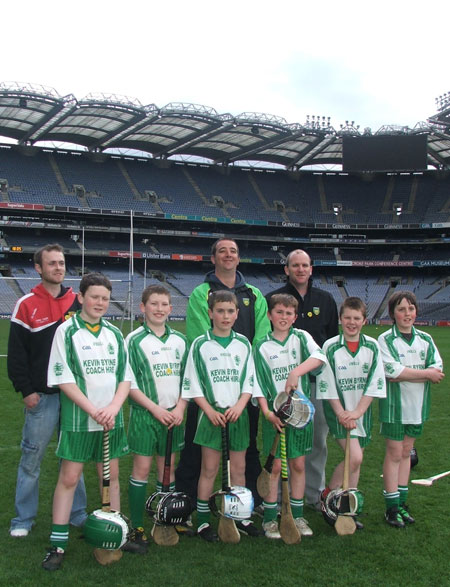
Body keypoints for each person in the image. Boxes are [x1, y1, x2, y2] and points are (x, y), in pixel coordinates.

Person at [42, 273, 131, 571]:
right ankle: (57, 544)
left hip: (111, 419)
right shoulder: (66, 331)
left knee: (111, 479)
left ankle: (115, 534)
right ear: (81, 298)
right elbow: (63, 378)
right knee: (69, 479)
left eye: (105, 298)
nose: (100, 303)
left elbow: (124, 377)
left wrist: (115, 407)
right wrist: (94, 410)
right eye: (94, 297)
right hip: (81, 419)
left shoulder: (114, 334)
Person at [175, 238, 270, 511]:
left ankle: (247, 503)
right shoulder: (200, 293)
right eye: (222, 251)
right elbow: (198, 338)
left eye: (233, 251)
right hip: (208, 389)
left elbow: (261, 339)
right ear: (213, 258)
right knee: (198, 453)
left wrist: (240, 367)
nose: (228, 255)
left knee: (247, 449)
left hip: (241, 388)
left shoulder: (253, 294)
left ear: (239, 258)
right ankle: (191, 502)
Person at [8, 243, 87, 538]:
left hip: (73, 398)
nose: (58, 268)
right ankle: (23, 519)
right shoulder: (26, 304)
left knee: (73, 458)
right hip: (42, 398)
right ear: (38, 268)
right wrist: (27, 391)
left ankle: (78, 513)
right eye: (51, 263)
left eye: (61, 263)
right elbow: (16, 356)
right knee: (32, 459)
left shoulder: (76, 302)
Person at [181, 290, 259, 541]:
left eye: (230, 311)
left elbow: (249, 381)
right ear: (210, 313)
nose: (225, 316)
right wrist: (209, 410)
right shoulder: (200, 344)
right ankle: (203, 521)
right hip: (211, 416)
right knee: (210, 469)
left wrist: (240, 405)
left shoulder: (243, 343)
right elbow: (192, 384)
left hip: (238, 415)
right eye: (220, 311)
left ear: (237, 314)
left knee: (239, 468)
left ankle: (241, 515)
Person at [266, 249, 338, 509]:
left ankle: (313, 495)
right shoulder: (272, 299)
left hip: (315, 385)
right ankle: (274, 498)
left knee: (317, 441)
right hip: (279, 387)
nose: (300, 269)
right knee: (279, 445)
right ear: (286, 269)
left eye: (304, 265)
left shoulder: (326, 299)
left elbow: (331, 344)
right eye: (294, 265)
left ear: (311, 269)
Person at [253, 293, 327, 539]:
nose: (283, 317)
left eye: (288, 313)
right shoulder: (261, 345)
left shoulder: (302, 338)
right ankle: (271, 518)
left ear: (295, 317)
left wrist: (296, 371)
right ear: (269, 315)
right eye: (279, 312)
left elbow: (319, 357)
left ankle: (296, 515)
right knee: (275, 466)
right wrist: (266, 412)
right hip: (275, 416)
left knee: (297, 464)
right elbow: (258, 384)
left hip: (301, 414)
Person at [124, 285, 188, 554]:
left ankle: (165, 517)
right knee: (141, 468)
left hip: (173, 415)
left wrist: (181, 407)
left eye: (164, 305)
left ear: (171, 309)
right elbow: (128, 383)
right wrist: (155, 409)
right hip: (144, 415)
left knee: (168, 468)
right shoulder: (133, 340)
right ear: (143, 307)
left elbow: (188, 381)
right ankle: (137, 525)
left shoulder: (180, 341)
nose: (159, 309)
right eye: (154, 304)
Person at [316, 297, 386, 529]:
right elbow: (327, 385)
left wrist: (357, 412)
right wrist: (342, 413)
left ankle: (347, 507)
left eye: (357, 318)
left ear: (364, 320)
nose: (352, 322)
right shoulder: (331, 347)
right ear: (340, 319)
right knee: (355, 457)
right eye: (347, 318)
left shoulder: (372, 346)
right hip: (338, 412)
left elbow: (375, 383)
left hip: (362, 412)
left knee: (354, 462)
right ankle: (329, 498)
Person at [378, 291, 444, 528]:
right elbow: (391, 371)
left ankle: (402, 503)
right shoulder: (385, 339)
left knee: (407, 453)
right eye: (401, 309)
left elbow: (437, 369)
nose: (407, 314)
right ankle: (391, 507)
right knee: (395, 453)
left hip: (418, 406)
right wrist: (424, 374)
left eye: (411, 309)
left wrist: (411, 374)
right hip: (395, 407)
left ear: (417, 311)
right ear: (393, 313)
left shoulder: (425, 338)